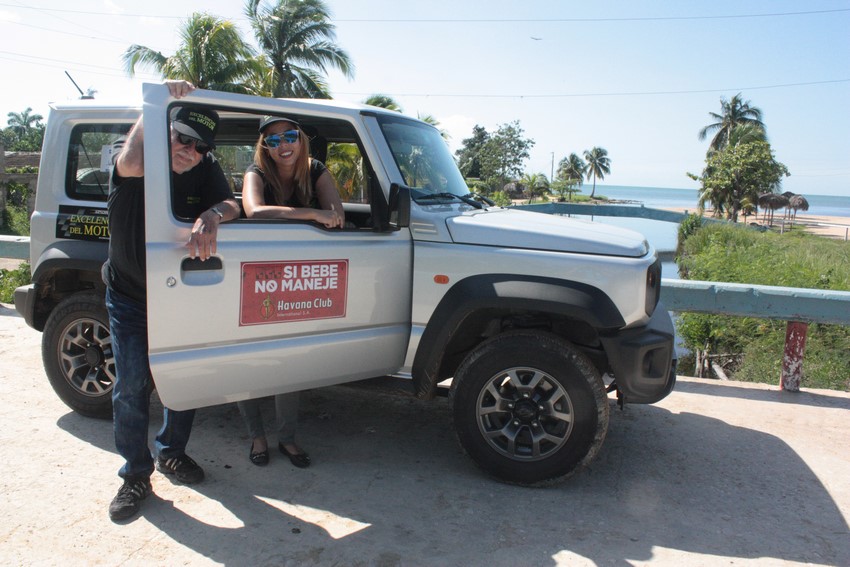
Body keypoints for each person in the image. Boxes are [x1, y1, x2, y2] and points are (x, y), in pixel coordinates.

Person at [105, 80, 240, 521]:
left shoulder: (204, 166)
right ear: (165, 132)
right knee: (131, 387)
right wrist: (157, 100)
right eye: (181, 137)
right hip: (129, 295)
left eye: (200, 146)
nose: (189, 150)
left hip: (179, 296)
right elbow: (133, 160)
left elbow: (230, 203)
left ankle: (171, 453)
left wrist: (211, 215)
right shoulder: (137, 162)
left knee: (184, 379)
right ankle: (135, 475)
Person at [237, 115, 345, 468]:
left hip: (297, 277)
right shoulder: (256, 172)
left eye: (289, 136)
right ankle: (257, 436)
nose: (283, 146)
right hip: (255, 273)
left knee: (288, 360)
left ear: (300, 139)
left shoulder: (315, 169)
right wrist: (310, 214)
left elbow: (337, 215)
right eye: (273, 140)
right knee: (248, 359)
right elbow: (255, 212)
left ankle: (287, 438)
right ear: (264, 147)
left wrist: (318, 215)